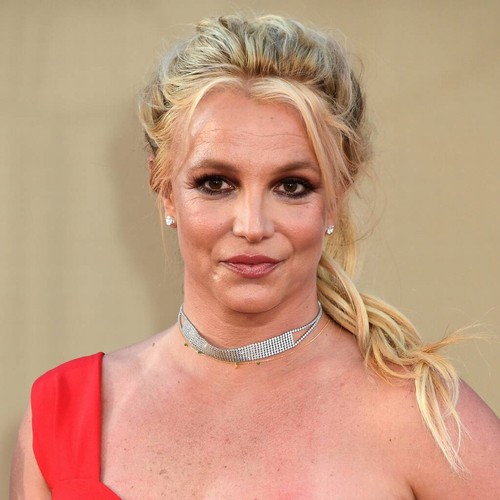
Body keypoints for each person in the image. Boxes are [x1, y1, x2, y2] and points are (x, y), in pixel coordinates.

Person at [10, 13, 499, 499]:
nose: (252, 226)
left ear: (335, 198)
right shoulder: (60, 414)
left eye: (292, 186)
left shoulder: (427, 422)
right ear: (165, 190)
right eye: (215, 183)